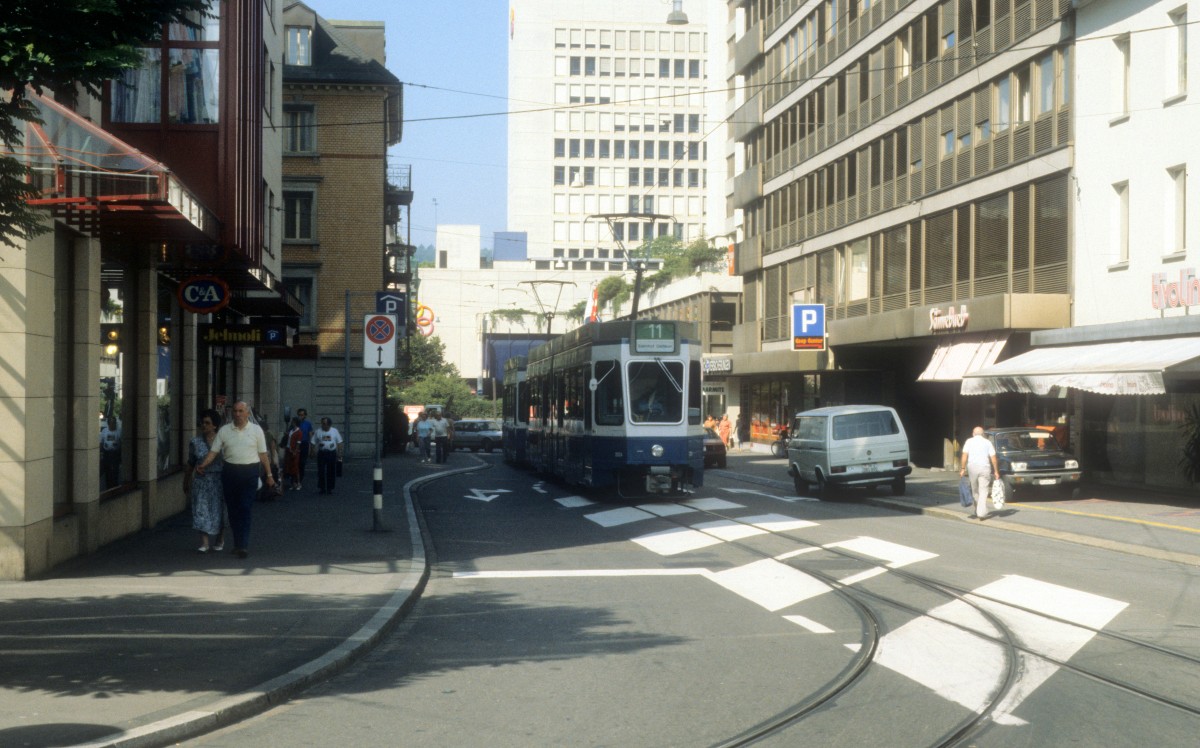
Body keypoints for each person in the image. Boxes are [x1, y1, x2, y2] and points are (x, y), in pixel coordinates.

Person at [194, 401, 275, 558]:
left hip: (250, 472)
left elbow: (263, 454)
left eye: (240, 411)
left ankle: (243, 545)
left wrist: (269, 475)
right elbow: (214, 452)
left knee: (245, 507)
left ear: (247, 413)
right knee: (232, 510)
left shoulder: (256, 430)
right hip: (230, 472)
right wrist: (203, 465)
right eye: (235, 411)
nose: (237, 414)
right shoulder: (224, 430)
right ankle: (238, 543)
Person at [184, 409, 224, 553]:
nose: (204, 425)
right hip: (201, 481)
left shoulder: (222, 441)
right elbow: (191, 463)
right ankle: (204, 543)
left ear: (215, 425)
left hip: (218, 480)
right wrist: (186, 480)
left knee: (219, 511)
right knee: (200, 510)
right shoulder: (195, 442)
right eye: (202, 423)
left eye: (207, 423)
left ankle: (220, 539)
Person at [960, 425, 1000, 520]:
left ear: (973, 434)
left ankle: (978, 509)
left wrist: (962, 468)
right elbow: (993, 458)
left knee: (974, 489)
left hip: (972, 467)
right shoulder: (987, 442)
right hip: (985, 467)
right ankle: (981, 512)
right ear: (983, 434)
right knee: (983, 490)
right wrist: (996, 471)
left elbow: (964, 455)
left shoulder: (969, 441)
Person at [312, 417, 344, 494]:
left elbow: (339, 442)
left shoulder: (334, 431)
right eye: (322, 423)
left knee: (331, 471)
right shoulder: (318, 431)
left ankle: (330, 488)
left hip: (331, 453)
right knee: (321, 471)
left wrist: (339, 453)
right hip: (322, 453)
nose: (323, 425)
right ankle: (322, 488)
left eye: (325, 424)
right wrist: (312, 451)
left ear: (329, 424)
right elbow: (313, 442)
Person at [100, 414, 122, 489]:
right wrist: (101, 452)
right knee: (107, 471)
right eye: (111, 423)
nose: (113, 425)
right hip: (106, 453)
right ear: (109, 424)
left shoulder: (119, 432)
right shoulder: (104, 431)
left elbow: (121, 443)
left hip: (115, 454)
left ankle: (114, 486)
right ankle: (108, 486)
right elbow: (101, 442)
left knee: (115, 471)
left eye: (114, 423)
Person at [296, 408, 314, 490]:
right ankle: (295, 480)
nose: (300, 416)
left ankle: (300, 479)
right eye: (299, 415)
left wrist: (311, 447)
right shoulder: (295, 423)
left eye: (302, 415)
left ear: (305, 416)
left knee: (302, 463)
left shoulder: (308, 424)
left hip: (304, 444)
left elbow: (310, 435)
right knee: (296, 462)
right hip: (296, 444)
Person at [284, 417, 303, 490]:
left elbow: (298, 443)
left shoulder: (299, 432)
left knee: (295, 468)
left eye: (292, 421)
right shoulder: (291, 430)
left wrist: (295, 451)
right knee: (290, 467)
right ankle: (293, 484)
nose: (291, 422)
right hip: (289, 450)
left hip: (294, 451)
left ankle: (298, 483)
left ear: (295, 422)